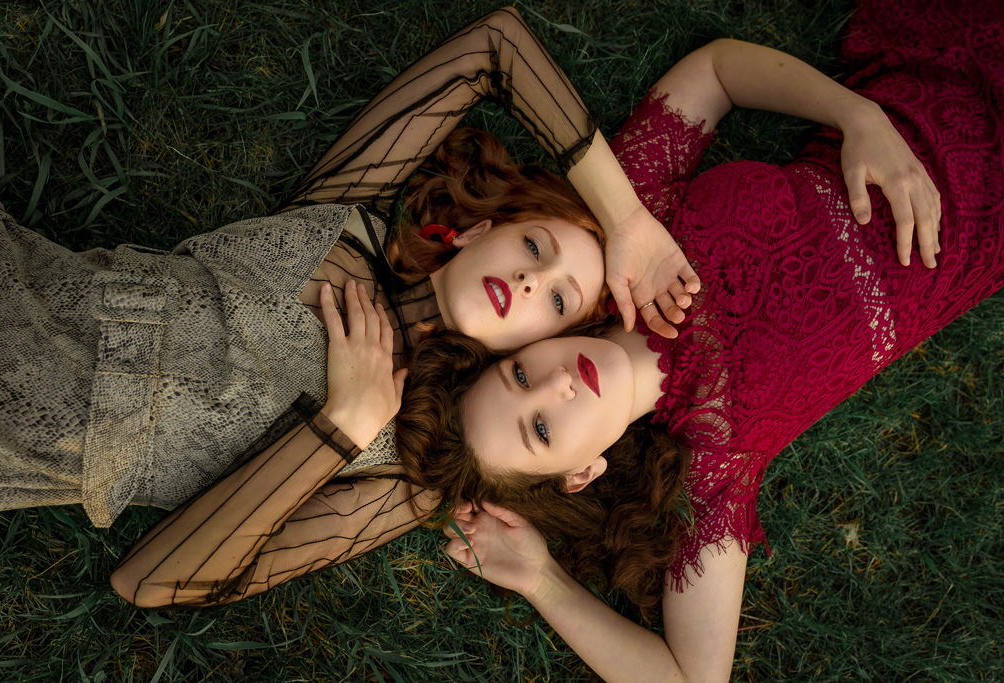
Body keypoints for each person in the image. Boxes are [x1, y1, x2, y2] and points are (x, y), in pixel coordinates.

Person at [422, 2, 1003, 680]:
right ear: (581, 473)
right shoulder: (716, 460)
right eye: (544, 427)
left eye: (520, 374)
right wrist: (541, 579)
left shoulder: (628, 239)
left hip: (918, 98)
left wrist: (857, 117)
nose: (558, 383)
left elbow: (716, 71)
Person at [52, 9, 698, 607]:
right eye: (534, 244)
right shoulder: (343, 225)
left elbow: (150, 580)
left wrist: (342, 423)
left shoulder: (407, 471)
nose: (531, 278)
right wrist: (626, 219)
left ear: (531, 343)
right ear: (478, 231)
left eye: (558, 299)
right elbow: (493, 44)